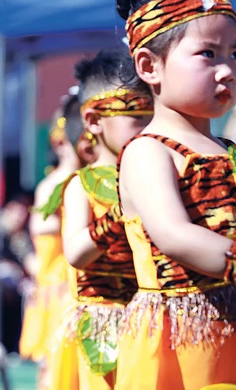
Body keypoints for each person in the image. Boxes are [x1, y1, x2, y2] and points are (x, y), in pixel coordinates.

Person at [114, 0, 236, 390]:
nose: (227, 69)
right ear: (150, 66)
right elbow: (175, 235)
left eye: (235, 53)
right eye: (207, 54)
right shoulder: (148, 151)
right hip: (180, 348)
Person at [57, 51, 153, 389]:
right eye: (135, 114)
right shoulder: (82, 187)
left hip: (149, 321)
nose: (149, 125)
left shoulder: (156, 177)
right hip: (104, 323)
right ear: (95, 121)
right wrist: (117, 216)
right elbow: (75, 252)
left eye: (152, 112)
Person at [19, 92, 82, 389]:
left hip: (71, 288)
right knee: (56, 372)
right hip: (59, 290)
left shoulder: (83, 180)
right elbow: (42, 247)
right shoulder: (52, 186)